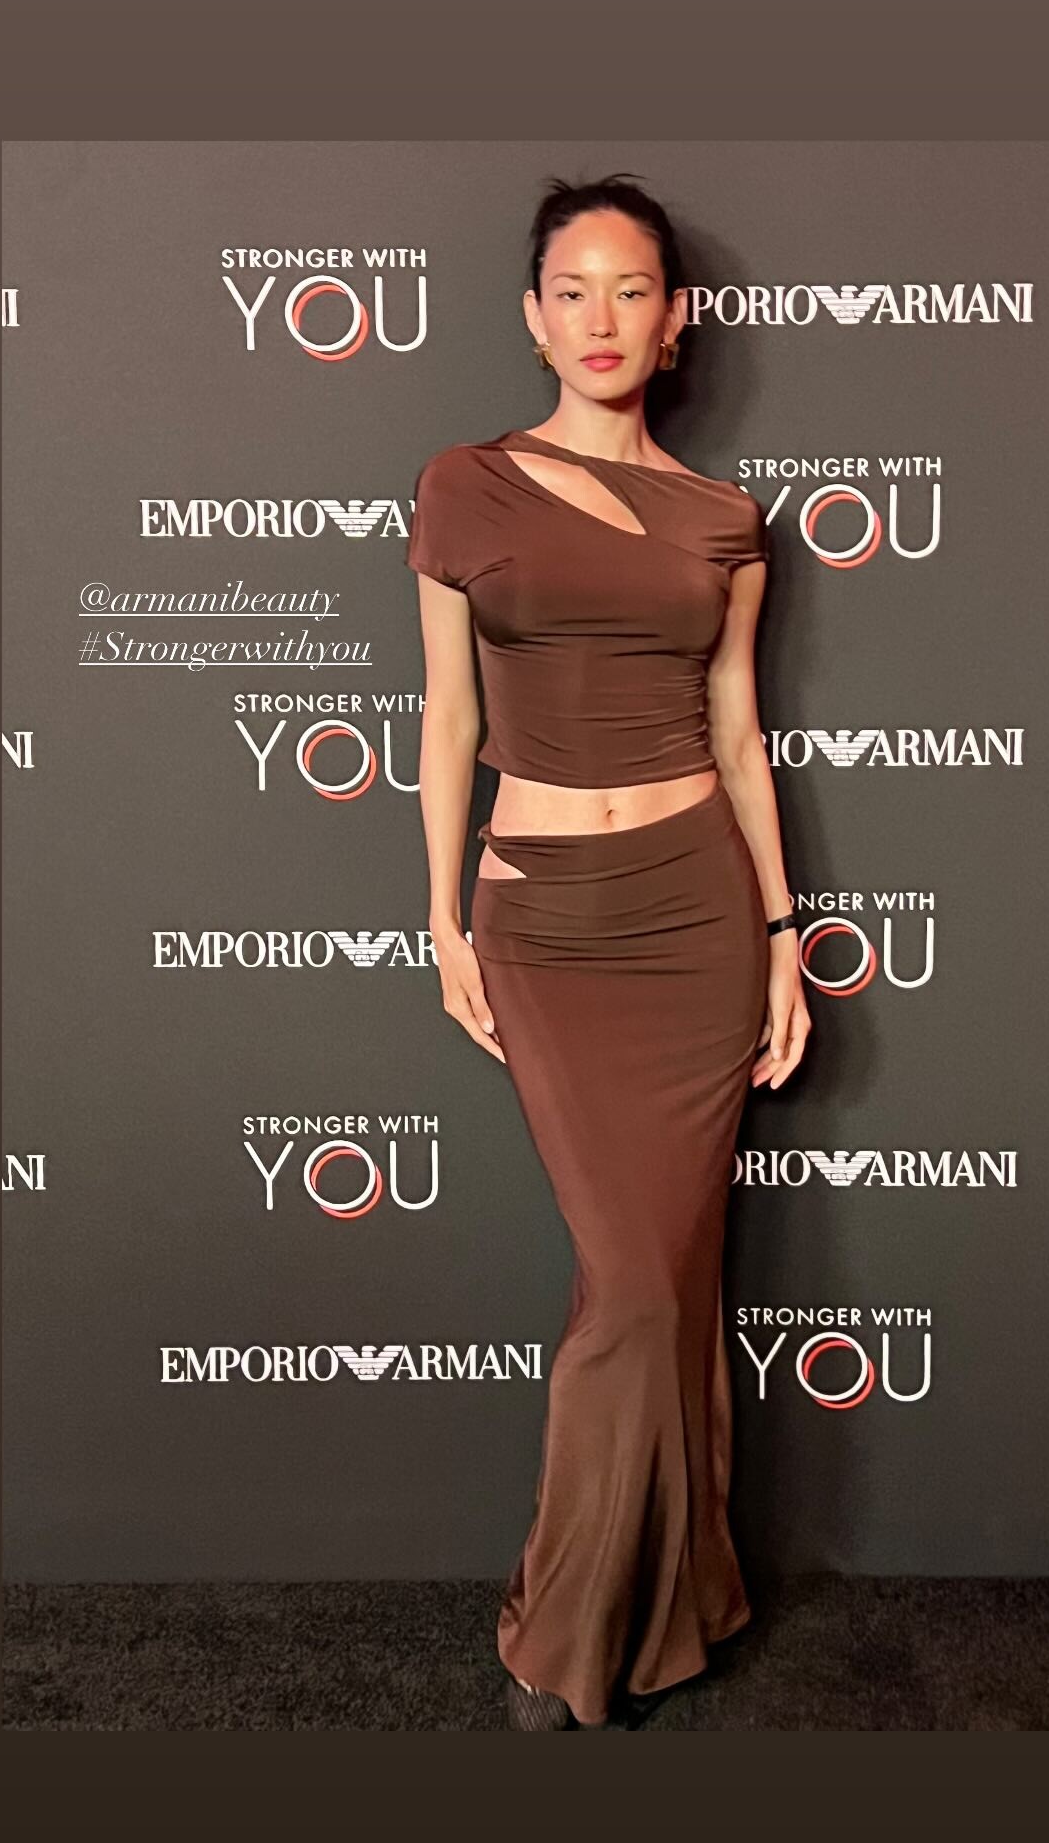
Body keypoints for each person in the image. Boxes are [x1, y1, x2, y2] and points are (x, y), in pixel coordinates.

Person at [405, 172, 810, 1730]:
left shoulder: (722, 522)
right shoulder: (464, 486)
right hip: (549, 922)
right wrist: (440, 915)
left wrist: (778, 933)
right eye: (571, 289)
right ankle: (590, 1615)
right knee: (635, 1280)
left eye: (630, 289)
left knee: (668, 1279)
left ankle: (651, 1606)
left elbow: (737, 732)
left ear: (674, 319)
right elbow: (447, 719)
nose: (600, 318)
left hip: (697, 915)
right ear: (531, 315)